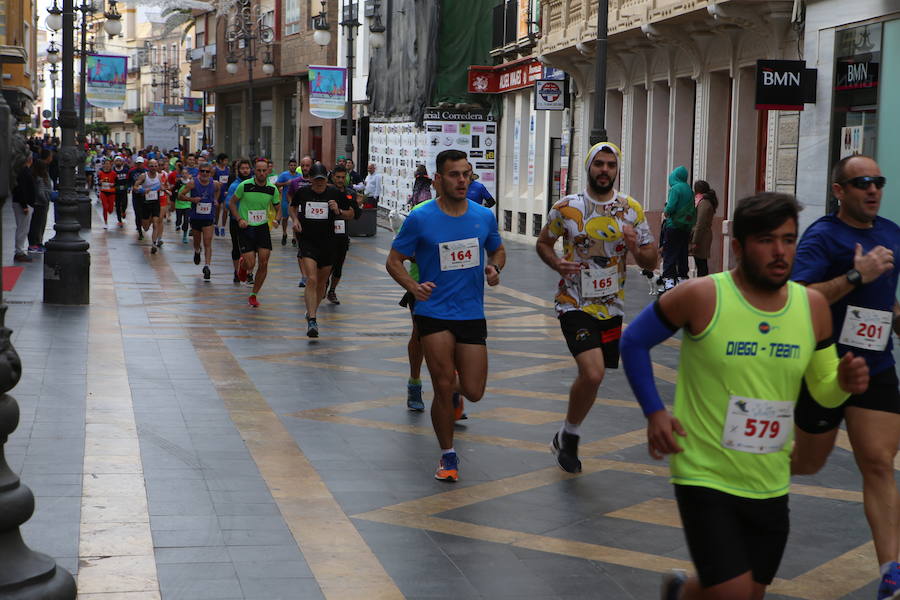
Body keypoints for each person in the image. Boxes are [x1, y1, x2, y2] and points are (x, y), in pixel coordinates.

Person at [619, 192, 869, 600]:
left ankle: (682, 592)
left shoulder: (813, 308)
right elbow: (633, 343)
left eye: (789, 240)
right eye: (767, 240)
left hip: (769, 479)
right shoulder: (703, 296)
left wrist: (843, 382)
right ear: (738, 247)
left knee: (748, 592)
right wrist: (655, 413)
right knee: (734, 593)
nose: (780, 252)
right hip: (704, 472)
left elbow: (823, 388)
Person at [788, 155, 900, 600]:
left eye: (878, 182)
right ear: (839, 191)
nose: (872, 190)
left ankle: (892, 572)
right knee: (808, 463)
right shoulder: (822, 237)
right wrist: (856, 274)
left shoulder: (892, 233)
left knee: (877, 462)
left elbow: (883, 303)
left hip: (875, 366)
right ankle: (743, 464)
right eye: (861, 183)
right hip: (825, 369)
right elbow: (797, 298)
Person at [535, 141, 658, 473]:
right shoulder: (566, 207)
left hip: (611, 307)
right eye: (599, 164)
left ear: (617, 170)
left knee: (592, 378)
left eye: (611, 165)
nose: (605, 170)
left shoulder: (631, 209)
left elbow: (651, 258)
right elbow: (544, 243)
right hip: (573, 303)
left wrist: (635, 246)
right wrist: (558, 264)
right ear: (588, 167)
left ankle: (566, 434)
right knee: (593, 372)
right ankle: (571, 437)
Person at [386, 149, 505, 482]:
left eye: (466, 173)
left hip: (470, 312)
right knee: (441, 384)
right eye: (454, 174)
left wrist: (494, 267)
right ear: (438, 179)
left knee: (474, 390)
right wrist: (413, 285)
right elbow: (393, 260)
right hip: (433, 310)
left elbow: (497, 248)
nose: (462, 180)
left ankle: (451, 392)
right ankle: (448, 456)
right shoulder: (420, 217)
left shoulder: (484, 217)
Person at [289, 163, 355, 336]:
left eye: (322, 180)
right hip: (307, 241)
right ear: (310, 179)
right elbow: (292, 206)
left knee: (321, 284)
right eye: (316, 180)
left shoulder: (335, 193)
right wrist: (295, 220)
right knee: (311, 278)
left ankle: (312, 311)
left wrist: (338, 210)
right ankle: (312, 320)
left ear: (327, 180)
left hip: (328, 243)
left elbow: (351, 214)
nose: (319, 183)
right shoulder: (303, 193)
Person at [231, 159, 280, 307]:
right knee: (250, 263)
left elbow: (278, 208)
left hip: (262, 227)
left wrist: (277, 219)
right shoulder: (244, 186)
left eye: (264, 170)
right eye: (258, 170)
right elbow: (232, 203)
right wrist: (239, 219)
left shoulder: (272, 189)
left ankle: (253, 294)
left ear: (268, 171)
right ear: (254, 171)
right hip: (246, 228)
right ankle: (243, 264)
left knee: (264, 262)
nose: (261, 173)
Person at [325, 163, 361, 305]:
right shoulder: (326, 191)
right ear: (333, 177)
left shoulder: (350, 194)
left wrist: (343, 212)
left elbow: (354, 214)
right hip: (326, 235)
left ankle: (332, 291)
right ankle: (323, 284)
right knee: (326, 265)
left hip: (342, 235)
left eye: (343, 177)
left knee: (338, 266)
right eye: (338, 177)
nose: (340, 180)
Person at [179, 161, 220, 280]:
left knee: (207, 242)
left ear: (211, 173)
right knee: (197, 242)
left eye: (207, 171)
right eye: (202, 171)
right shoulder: (193, 183)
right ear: (199, 172)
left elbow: (218, 191)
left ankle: (207, 266)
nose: (205, 173)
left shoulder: (215, 184)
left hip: (208, 217)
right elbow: (180, 195)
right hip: (196, 217)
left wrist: (216, 200)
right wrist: (192, 199)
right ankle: (197, 251)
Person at [660, 165, 696, 291]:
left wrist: (666, 211)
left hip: (673, 225)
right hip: (685, 227)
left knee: (669, 252)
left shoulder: (675, 189)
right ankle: (682, 278)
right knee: (682, 252)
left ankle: (669, 280)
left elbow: (670, 207)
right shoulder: (690, 191)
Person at [224, 159, 253, 283]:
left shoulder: (254, 184)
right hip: (236, 221)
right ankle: (236, 272)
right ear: (238, 170)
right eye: (242, 168)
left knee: (251, 248)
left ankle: (250, 273)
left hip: (251, 221)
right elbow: (227, 204)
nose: (245, 170)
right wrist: (238, 216)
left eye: (247, 168)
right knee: (237, 248)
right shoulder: (234, 186)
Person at [133, 158, 168, 253]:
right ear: (148, 167)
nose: (154, 168)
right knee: (146, 227)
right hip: (145, 203)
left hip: (155, 203)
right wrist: (142, 190)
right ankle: (148, 221)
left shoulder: (159, 176)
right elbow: (135, 187)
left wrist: (165, 190)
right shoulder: (143, 176)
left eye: (155, 166)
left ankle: (153, 244)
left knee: (156, 223)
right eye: (151, 166)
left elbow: (161, 186)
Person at [690, 180, 718, 277]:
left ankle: (702, 285)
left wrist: (695, 241)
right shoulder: (705, 201)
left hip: (702, 237)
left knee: (701, 264)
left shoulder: (704, 203)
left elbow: (700, 224)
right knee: (701, 263)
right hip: (703, 235)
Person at [12, 155, 35, 262]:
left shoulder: (21, 171)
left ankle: (19, 250)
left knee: (23, 228)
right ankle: (19, 251)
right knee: (22, 228)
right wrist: (24, 205)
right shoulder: (24, 172)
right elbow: (21, 189)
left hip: (23, 203)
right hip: (23, 204)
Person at [28, 156, 53, 253]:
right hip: (41, 204)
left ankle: (36, 242)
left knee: (36, 224)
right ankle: (35, 243)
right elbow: (40, 192)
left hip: (38, 203)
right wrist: (46, 199)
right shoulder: (40, 178)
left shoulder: (35, 175)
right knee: (38, 224)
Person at [275, 158, 298, 246]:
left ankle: (294, 237)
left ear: (296, 166)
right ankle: (284, 233)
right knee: (285, 218)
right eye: (291, 165)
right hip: (285, 200)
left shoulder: (299, 175)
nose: (293, 167)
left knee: (295, 218)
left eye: (294, 165)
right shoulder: (284, 175)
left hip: (295, 200)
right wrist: (286, 183)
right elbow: (276, 184)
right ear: (288, 166)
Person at [128, 156, 148, 239]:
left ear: (143, 164)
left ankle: (143, 225)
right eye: (138, 163)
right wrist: (129, 187)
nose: (139, 165)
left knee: (144, 213)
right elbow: (129, 181)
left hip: (145, 195)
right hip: (136, 194)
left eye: (141, 163)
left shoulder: (147, 172)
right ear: (136, 164)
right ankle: (140, 232)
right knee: (137, 213)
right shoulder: (132, 172)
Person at [213, 152, 230, 237]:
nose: (226, 162)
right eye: (225, 160)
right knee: (217, 209)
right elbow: (211, 180)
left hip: (225, 192)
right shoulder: (215, 169)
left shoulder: (228, 169)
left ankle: (223, 227)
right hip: (217, 192)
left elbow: (229, 180)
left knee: (226, 209)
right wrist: (216, 184)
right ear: (220, 160)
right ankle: (216, 224)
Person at [97, 158, 117, 228]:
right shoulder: (100, 173)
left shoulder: (114, 174)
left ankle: (110, 210)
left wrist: (113, 184)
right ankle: (105, 222)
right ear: (103, 165)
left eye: (108, 164)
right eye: (106, 164)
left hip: (111, 192)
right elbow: (98, 183)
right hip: (103, 192)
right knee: (105, 207)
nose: (107, 165)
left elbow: (116, 183)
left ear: (111, 165)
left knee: (110, 210)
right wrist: (100, 182)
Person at [113, 155, 130, 228]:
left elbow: (129, 179)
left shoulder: (125, 170)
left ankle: (123, 211)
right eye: (117, 161)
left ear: (122, 162)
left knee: (125, 203)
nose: (118, 162)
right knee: (117, 205)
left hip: (124, 189)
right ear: (114, 162)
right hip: (116, 190)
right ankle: (119, 220)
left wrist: (129, 187)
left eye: (119, 161)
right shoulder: (113, 171)